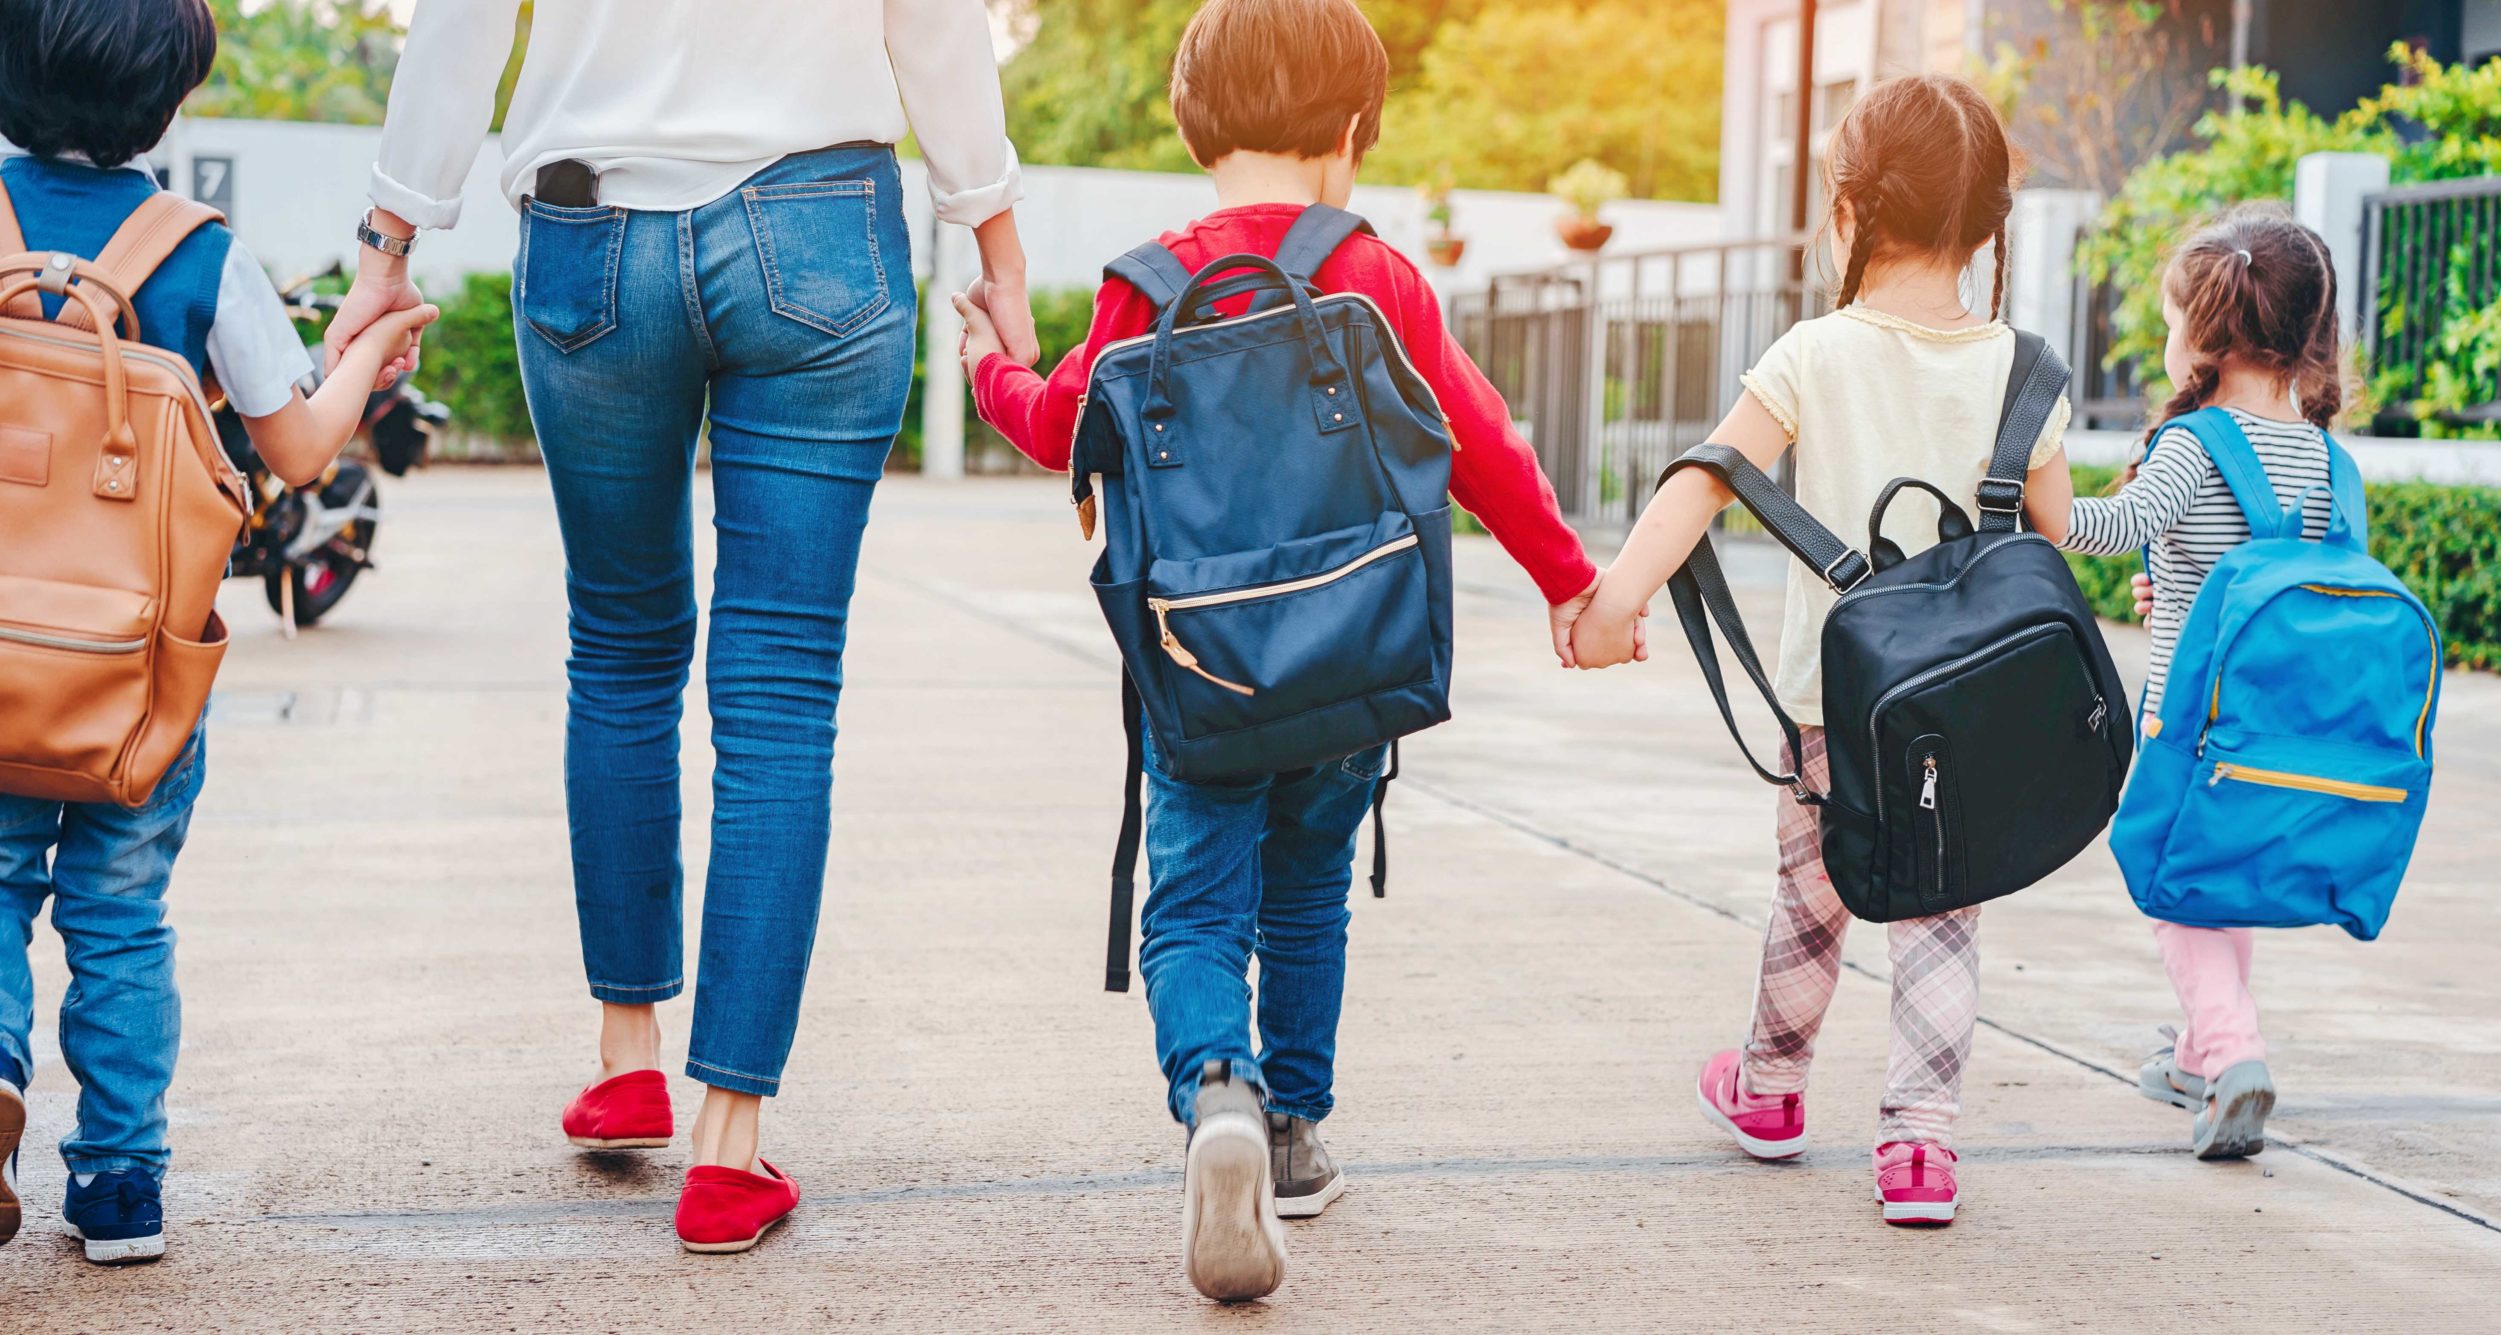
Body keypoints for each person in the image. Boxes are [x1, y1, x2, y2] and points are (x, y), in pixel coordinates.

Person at [329, 1, 1035, 1253]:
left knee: (619, 651)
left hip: (591, 228)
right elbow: (930, 23)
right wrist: (995, 240)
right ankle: (728, 1149)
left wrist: (388, 244)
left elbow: (461, 23)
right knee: (777, 694)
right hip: (823, 229)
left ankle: (626, 1060)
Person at [954, 0, 1602, 1300]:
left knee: (1195, 902)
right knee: (1308, 889)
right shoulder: (1377, 275)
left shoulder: (1151, 280)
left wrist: (988, 368)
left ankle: (1220, 1093)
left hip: (1198, 667)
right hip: (1354, 661)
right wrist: (1572, 582)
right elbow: (1484, 443)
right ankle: (1295, 1134)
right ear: (1353, 131)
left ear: (1194, 125)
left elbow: (1061, 427)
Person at [1571, 76, 2072, 1226]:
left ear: (1845, 212)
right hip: (1974, 712)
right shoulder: (2024, 371)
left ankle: (1772, 1092)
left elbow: (1706, 475)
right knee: (1944, 913)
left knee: (1812, 903)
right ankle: (1919, 1152)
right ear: (1992, 226)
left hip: (1832, 707)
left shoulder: (1812, 351)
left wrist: (1615, 601)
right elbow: (2057, 536)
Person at [0, 0, 436, 1265]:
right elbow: (297, 449)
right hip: (137, 672)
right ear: (170, 101)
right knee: (121, 917)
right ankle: (121, 1187)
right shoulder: (199, 253)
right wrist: (372, 352)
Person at [2057, 206, 2347, 1160]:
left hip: (2187, 719)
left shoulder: (2192, 445)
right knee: (2222, 878)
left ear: (2205, 332)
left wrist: (2033, 476)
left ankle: (2232, 1051)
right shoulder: (2323, 455)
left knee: (2172, 883)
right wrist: (2174, 579)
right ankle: (2194, 1051)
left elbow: (2102, 529)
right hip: (2278, 722)